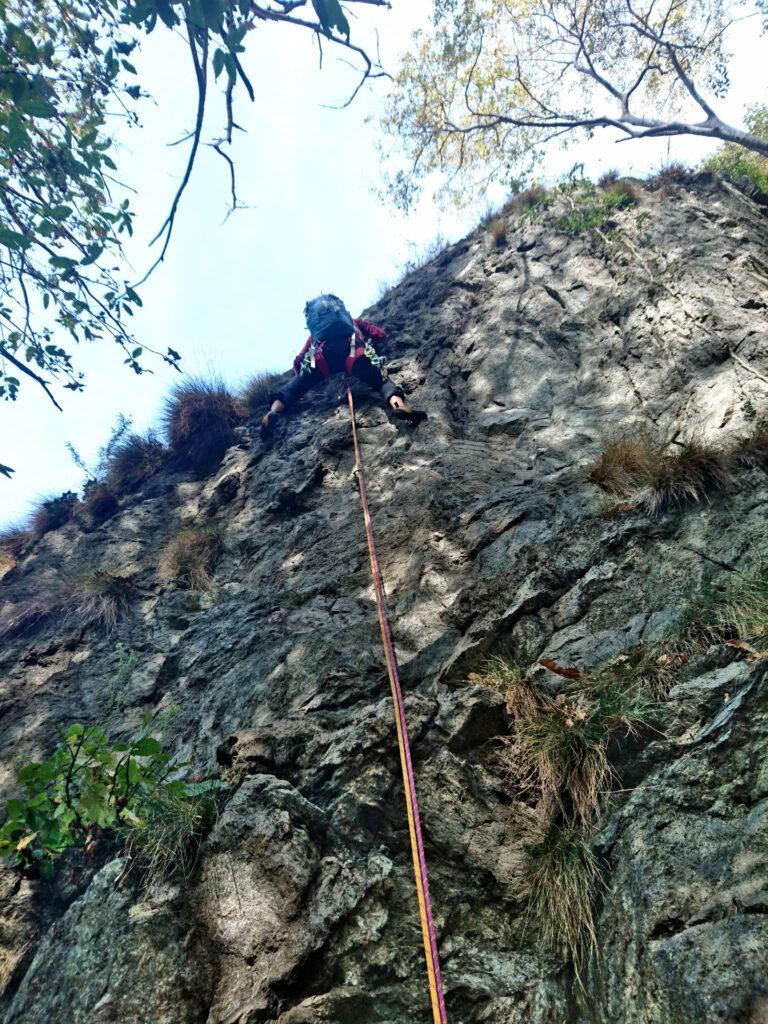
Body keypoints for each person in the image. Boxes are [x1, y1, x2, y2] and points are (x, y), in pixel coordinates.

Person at [260, 294, 427, 440]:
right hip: (355, 354)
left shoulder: (317, 335)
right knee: (382, 382)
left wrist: (301, 376)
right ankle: (398, 406)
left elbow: (298, 361)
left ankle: (273, 412)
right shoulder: (354, 323)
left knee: (291, 391)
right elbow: (380, 335)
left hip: (321, 360)